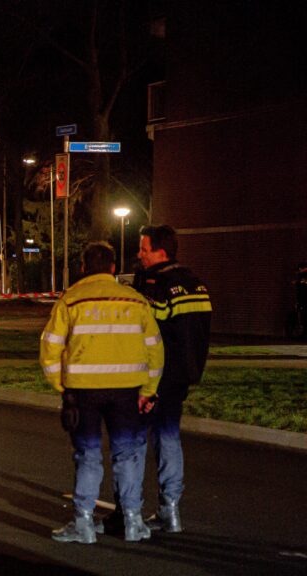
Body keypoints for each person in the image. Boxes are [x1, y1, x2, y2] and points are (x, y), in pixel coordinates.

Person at [40, 242, 164, 544]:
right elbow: (155, 350)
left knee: (88, 455)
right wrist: (149, 390)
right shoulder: (136, 301)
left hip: (83, 392)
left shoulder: (70, 301)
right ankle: (133, 522)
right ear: (112, 268)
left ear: (83, 267)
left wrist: (62, 385)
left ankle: (83, 524)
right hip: (127, 392)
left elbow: (50, 348)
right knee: (128, 454)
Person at [131, 224, 212, 533]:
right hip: (183, 375)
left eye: (144, 249)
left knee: (135, 442)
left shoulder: (156, 283)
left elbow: (147, 326)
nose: (139, 254)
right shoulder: (196, 283)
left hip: (155, 376)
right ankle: (171, 510)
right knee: (169, 438)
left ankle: (130, 511)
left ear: (160, 252)